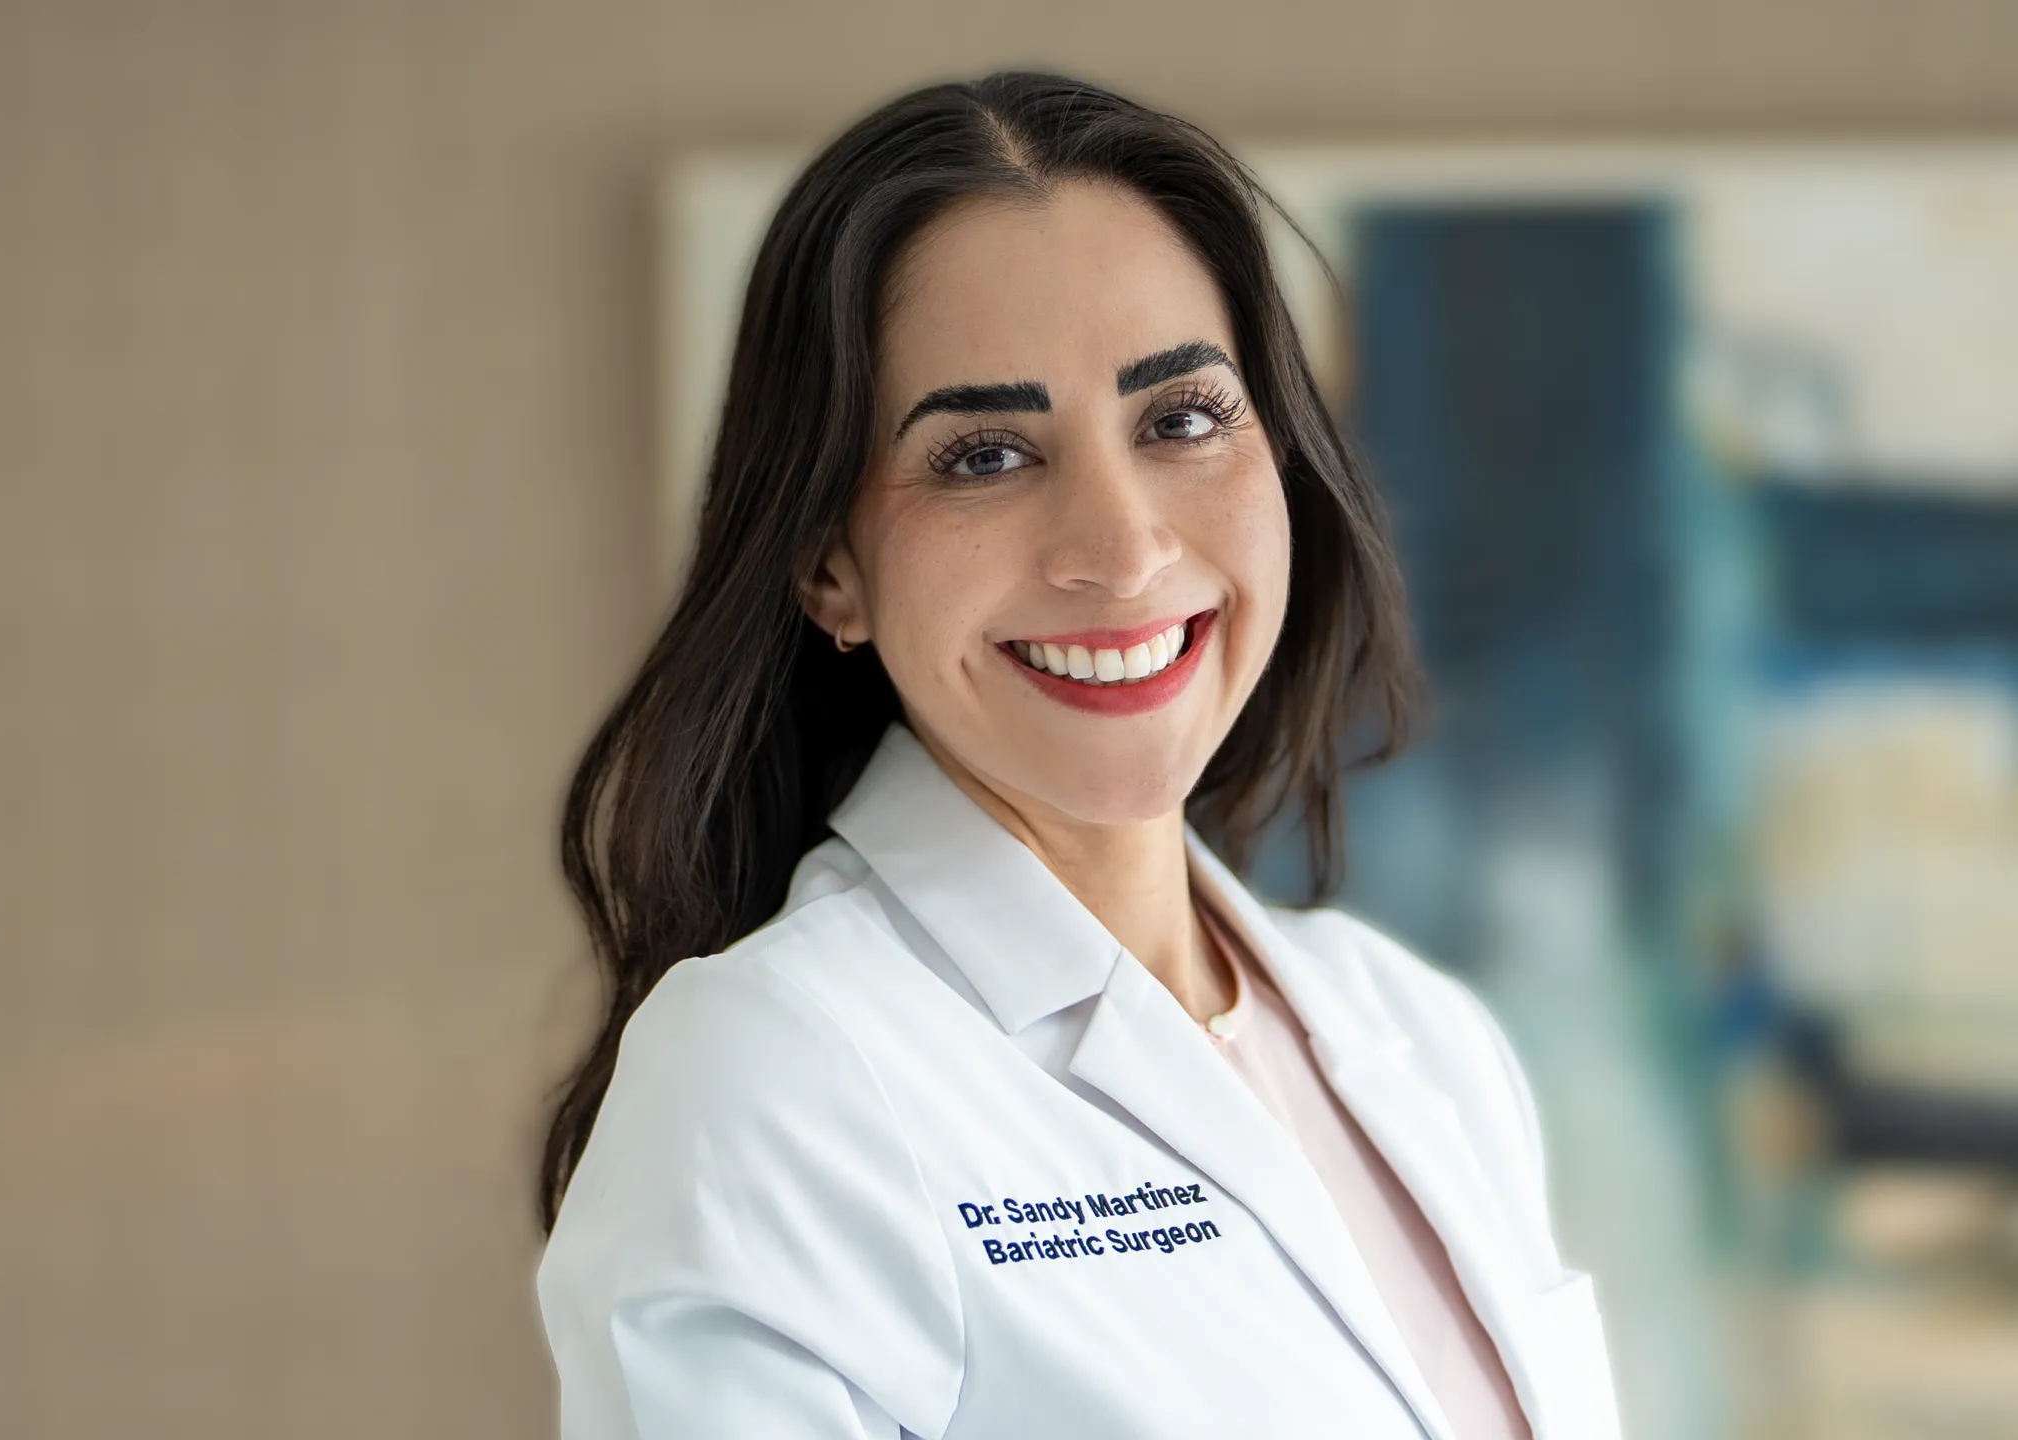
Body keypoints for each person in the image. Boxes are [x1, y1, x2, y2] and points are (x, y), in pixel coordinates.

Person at [533, 72, 1624, 1439]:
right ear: (827, 568)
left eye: (1180, 420)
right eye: (986, 453)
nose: (1120, 551)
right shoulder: (773, 1070)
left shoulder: (1426, 1038)